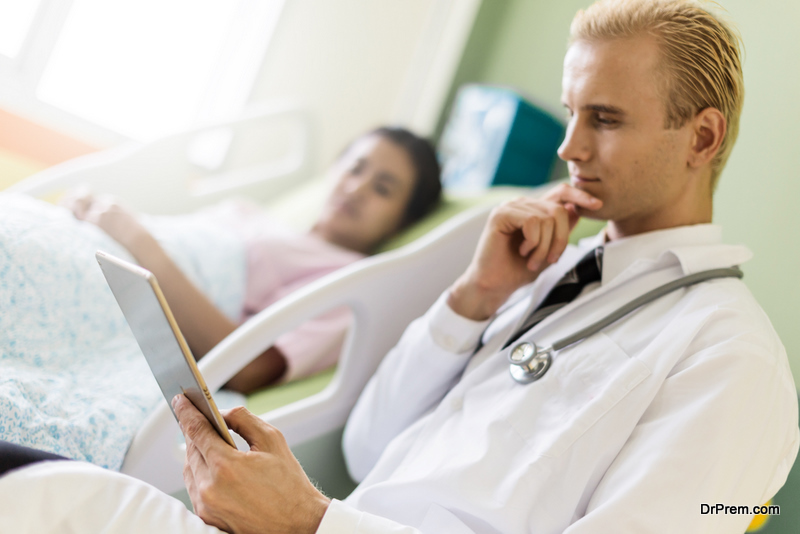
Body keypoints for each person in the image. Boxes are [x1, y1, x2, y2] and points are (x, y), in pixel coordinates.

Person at [0, 0, 797, 533]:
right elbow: (371, 448)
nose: (568, 149)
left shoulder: (732, 360)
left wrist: (313, 520)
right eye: (571, 113)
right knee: (28, 483)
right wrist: (471, 301)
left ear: (700, 138)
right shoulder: (552, 276)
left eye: (607, 119)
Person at [62, 126, 442, 393]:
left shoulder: (348, 285)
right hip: (93, 245)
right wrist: (92, 210)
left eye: (383, 188)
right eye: (355, 168)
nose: (357, 188)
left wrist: (136, 240)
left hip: (117, 282)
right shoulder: (249, 213)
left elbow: (248, 368)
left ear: (404, 219)